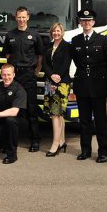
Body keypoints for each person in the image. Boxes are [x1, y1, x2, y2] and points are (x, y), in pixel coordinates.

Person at [71, 9, 107, 163]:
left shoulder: (102, 40)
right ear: (80, 23)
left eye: (89, 20)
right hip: (82, 86)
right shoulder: (76, 41)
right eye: (83, 20)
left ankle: (103, 152)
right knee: (85, 121)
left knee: (100, 122)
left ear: (94, 22)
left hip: (99, 86)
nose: (86, 23)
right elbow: (75, 60)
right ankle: (85, 150)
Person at [2, 6, 44, 152]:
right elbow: (7, 55)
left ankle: (35, 141)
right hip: (15, 77)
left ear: (28, 17)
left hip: (28, 75)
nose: (21, 19)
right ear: (15, 17)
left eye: (23, 17)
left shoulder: (34, 35)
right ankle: (12, 140)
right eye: (19, 17)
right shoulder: (10, 35)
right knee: (13, 108)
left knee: (31, 109)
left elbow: (40, 55)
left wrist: (36, 70)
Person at [0, 64, 27, 164]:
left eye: (9, 74)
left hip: (18, 123)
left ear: (14, 74)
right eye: (4, 75)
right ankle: (5, 143)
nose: (6, 77)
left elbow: (14, 112)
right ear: (1, 75)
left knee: (10, 120)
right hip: (0, 123)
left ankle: (12, 154)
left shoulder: (19, 90)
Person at [42, 23, 71, 157]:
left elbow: (66, 64)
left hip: (62, 83)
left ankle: (55, 144)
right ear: (51, 33)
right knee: (58, 114)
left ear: (62, 32)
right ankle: (62, 141)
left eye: (58, 31)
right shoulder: (48, 46)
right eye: (54, 31)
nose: (56, 33)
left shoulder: (67, 47)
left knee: (56, 113)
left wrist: (56, 79)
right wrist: (51, 76)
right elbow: (44, 64)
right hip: (49, 82)